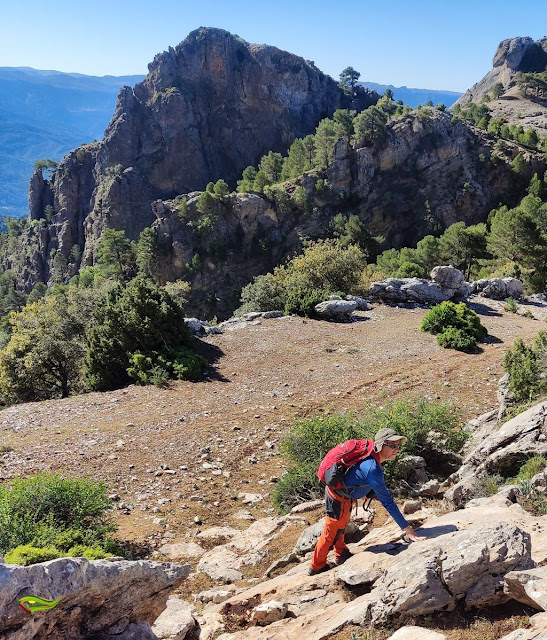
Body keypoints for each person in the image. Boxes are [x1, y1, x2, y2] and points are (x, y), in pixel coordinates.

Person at [308, 427, 427, 576]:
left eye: (398, 446)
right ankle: (316, 566)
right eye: (392, 445)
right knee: (331, 530)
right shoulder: (372, 468)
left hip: (343, 496)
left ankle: (341, 553)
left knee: (341, 525)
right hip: (338, 498)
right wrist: (409, 531)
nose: (397, 449)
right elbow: (387, 501)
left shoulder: (373, 459)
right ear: (380, 445)